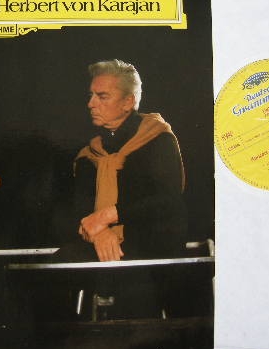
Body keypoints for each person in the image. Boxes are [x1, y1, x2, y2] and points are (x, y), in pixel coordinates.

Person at [56, 59, 188, 262]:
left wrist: (106, 216)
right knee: (54, 265)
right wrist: (100, 233)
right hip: (101, 248)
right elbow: (79, 213)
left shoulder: (158, 139)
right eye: (91, 96)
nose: (91, 104)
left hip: (154, 249)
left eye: (102, 96)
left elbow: (167, 201)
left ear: (128, 102)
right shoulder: (88, 155)